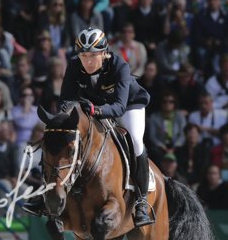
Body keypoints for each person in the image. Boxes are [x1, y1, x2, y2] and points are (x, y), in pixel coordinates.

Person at [22, 27, 153, 227]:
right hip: (93, 105)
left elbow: (118, 107)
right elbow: (65, 100)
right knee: (61, 137)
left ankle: (142, 201)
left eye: (93, 56)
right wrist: (63, 118)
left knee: (135, 140)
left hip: (128, 105)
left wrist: (95, 110)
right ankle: (46, 193)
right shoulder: (75, 65)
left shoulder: (119, 66)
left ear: (104, 53)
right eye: (84, 56)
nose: (88, 61)